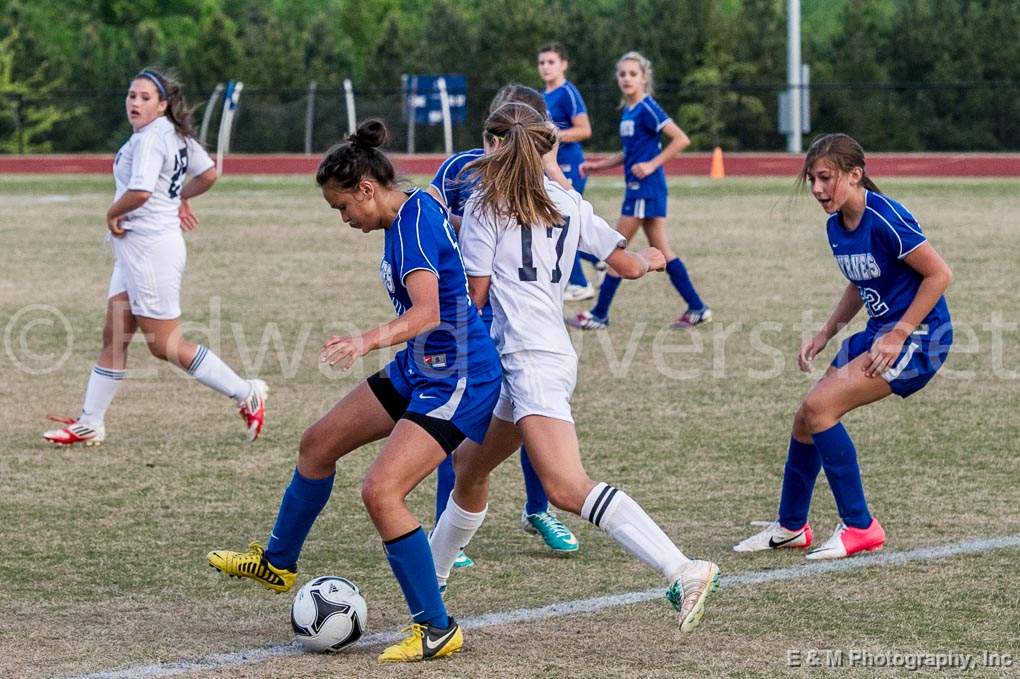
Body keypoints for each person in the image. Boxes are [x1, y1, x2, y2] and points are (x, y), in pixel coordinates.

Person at [208, 120, 502, 663]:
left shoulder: (412, 225)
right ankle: (277, 562)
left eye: (343, 207)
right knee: (317, 444)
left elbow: (428, 312)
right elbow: (465, 169)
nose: (344, 219)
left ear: (367, 188)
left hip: (459, 377)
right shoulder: (411, 209)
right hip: (419, 367)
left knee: (380, 492)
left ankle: (437, 628)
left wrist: (367, 339)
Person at [428, 101, 720, 634]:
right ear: (547, 149)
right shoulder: (568, 200)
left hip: (529, 360)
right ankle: (431, 581)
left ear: (492, 145)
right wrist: (656, 260)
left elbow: (475, 294)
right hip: (539, 354)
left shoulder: (484, 207)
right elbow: (629, 264)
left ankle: (683, 568)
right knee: (469, 467)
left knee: (565, 486)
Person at [734, 133, 953, 559]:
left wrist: (898, 334)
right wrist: (826, 332)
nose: (817, 189)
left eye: (825, 178)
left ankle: (861, 526)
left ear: (856, 175)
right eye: (812, 179)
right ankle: (792, 526)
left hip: (920, 338)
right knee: (805, 418)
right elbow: (861, 280)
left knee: (821, 410)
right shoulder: (837, 226)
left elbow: (939, 275)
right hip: (879, 332)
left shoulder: (886, 217)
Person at [43, 67, 266, 447]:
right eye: (131, 95)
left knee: (164, 345)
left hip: (150, 250)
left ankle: (246, 392)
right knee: (114, 335)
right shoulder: (170, 133)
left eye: (145, 97)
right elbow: (208, 174)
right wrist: (178, 198)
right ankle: (90, 422)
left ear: (162, 104)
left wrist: (112, 212)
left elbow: (142, 192)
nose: (135, 102)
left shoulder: (151, 139)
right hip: (138, 250)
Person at [427, 84, 581, 563]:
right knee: (462, 414)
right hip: (473, 308)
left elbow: (573, 214)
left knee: (534, 413)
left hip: (523, 313)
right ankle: (445, 524)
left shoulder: (546, 179)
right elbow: (424, 216)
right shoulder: (461, 169)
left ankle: (538, 511)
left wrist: (551, 166)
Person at [568, 51, 711, 331]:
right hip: (642, 189)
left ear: (644, 78)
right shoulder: (630, 112)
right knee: (663, 251)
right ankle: (697, 307)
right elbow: (628, 153)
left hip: (644, 189)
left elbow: (681, 139)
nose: (626, 79)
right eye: (622, 74)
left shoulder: (647, 107)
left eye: (633, 74)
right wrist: (597, 166)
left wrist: (651, 164)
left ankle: (599, 313)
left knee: (615, 246)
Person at [536, 42, 602, 302]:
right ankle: (596, 257)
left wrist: (552, 137)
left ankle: (580, 282)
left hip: (569, 167)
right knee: (556, 223)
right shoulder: (542, 96)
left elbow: (584, 129)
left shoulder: (568, 93)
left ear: (563, 64)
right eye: (542, 62)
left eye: (551, 62)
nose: (545, 67)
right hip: (550, 168)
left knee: (561, 222)